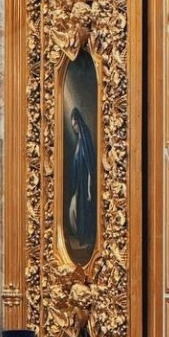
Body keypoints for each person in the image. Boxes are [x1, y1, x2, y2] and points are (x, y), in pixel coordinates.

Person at [67, 107, 96, 253]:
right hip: (79, 183)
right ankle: (82, 237)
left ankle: (87, 239)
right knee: (75, 210)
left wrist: (90, 187)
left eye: (75, 125)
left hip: (85, 184)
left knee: (83, 210)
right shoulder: (79, 141)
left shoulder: (85, 139)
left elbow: (90, 166)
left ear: (78, 122)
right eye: (72, 126)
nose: (74, 128)